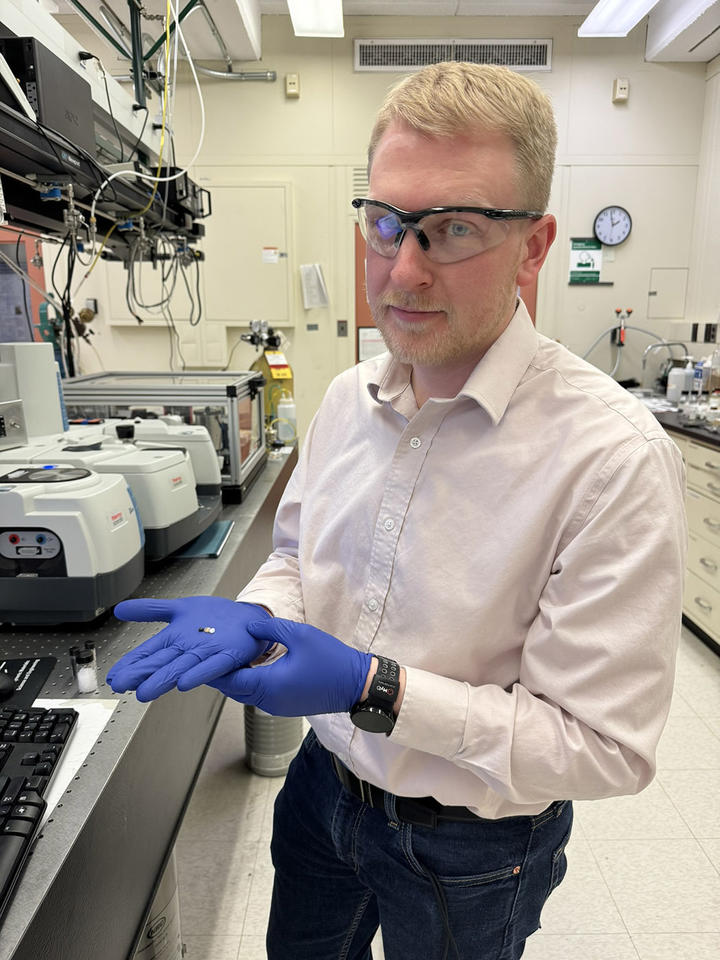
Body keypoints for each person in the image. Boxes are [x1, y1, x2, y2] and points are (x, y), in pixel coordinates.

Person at [108, 62, 687, 960]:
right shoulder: (346, 399)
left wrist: (373, 688)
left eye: (452, 229)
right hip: (323, 787)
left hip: (474, 841)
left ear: (535, 246)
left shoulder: (610, 456)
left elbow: (602, 748)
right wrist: (260, 613)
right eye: (385, 223)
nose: (401, 269)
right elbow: (301, 556)